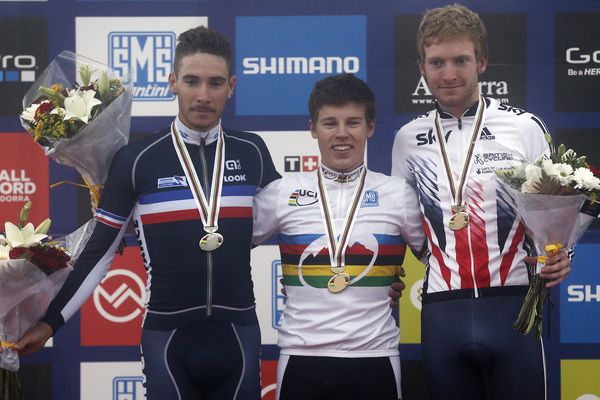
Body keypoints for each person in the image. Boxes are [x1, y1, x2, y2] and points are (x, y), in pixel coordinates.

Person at [15, 26, 280, 400]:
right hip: (167, 337)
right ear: (172, 82)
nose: (203, 95)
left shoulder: (253, 152)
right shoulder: (137, 161)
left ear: (232, 86)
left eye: (215, 83)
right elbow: (99, 252)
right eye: (192, 81)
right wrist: (49, 323)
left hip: (239, 333)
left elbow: (297, 224)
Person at [391, 4, 572, 399]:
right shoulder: (407, 139)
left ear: (483, 61)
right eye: (436, 62)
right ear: (422, 67)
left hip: (515, 308)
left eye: (461, 60)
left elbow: (555, 210)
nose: (449, 74)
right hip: (441, 310)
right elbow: (402, 222)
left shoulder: (524, 127)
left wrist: (562, 252)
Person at [253, 73, 425, 400]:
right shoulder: (283, 192)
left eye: (353, 122)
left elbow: (444, 260)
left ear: (370, 127)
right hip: (302, 356)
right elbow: (226, 247)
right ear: (312, 128)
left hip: (375, 357)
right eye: (330, 123)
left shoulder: (398, 194)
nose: (342, 134)